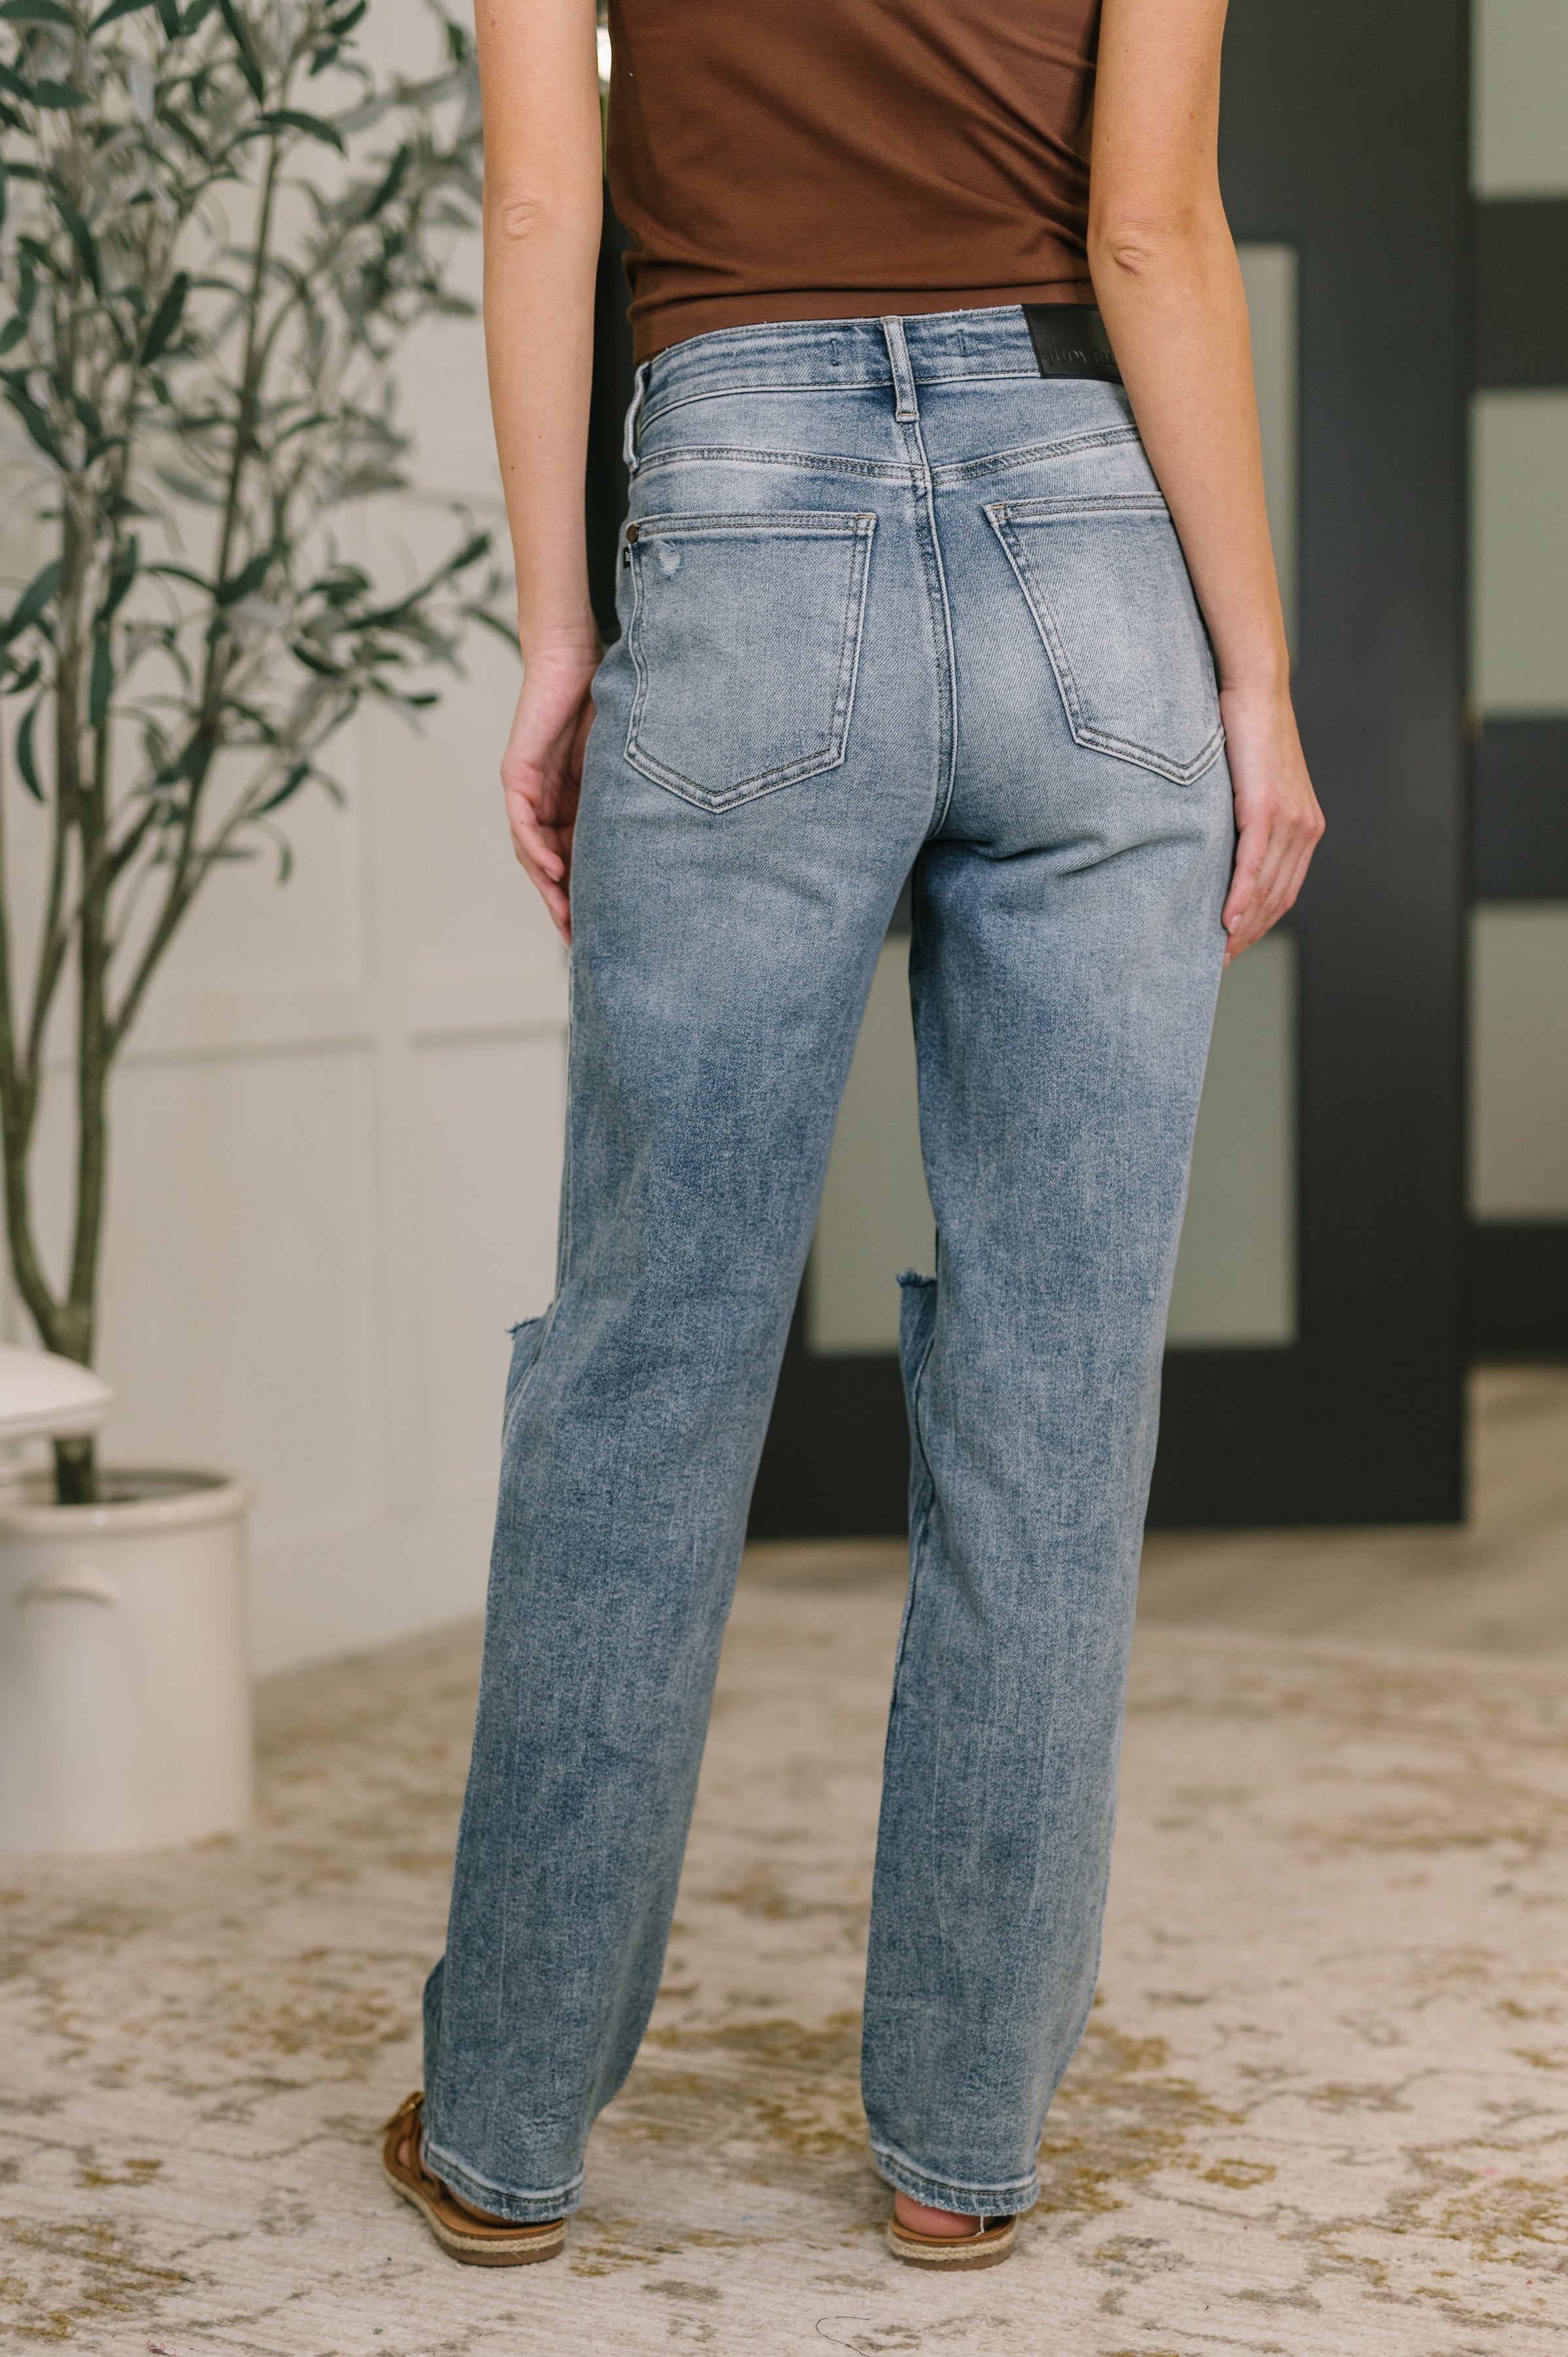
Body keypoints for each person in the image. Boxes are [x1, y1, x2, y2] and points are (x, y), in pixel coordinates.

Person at [382, 0, 1324, 2273]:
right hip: (1089, 541)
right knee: (1051, 1391)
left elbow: (540, 194)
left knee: (640, 1370)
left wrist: (551, 631)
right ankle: (957, 2147)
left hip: (741, 511)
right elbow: (1151, 226)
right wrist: (1254, 682)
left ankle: (504, 2132)